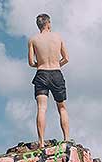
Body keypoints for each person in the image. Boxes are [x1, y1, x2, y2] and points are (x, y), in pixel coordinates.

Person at [28, 13, 70, 149]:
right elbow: (66, 58)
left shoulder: (33, 40)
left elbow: (31, 62)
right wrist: (56, 64)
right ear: (48, 23)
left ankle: (41, 142)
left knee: (41, 108)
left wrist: (40, 64)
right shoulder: (58, 37)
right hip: (56, 73)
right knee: (62, 108)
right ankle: (66, 139)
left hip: (41, 73)